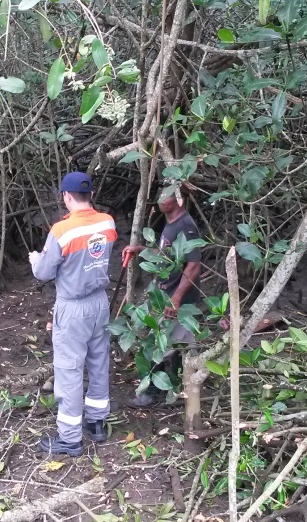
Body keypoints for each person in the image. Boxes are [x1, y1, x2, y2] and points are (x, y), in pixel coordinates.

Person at [30, 172, 117, 456]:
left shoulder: (61, 231)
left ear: (66, 197)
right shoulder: (107, 222)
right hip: (100, 303)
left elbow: (44, 273)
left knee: (68, 369)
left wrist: (35, 260)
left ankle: (69, 438)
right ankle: (97, 423)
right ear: (90, 195)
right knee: (98, 360)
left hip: (74, 307)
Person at [121, 186, 203, 407]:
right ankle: (181, 385)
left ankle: (153, 393)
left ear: (180, 199)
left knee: (162, 344)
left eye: (166, 196)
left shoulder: (186, 226)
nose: (160, 199)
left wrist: (176, 298)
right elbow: (169, 255)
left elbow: (193, 265)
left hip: (178, 298)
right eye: (159, 195)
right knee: (180, 342)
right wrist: (142, 249)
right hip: (166, 292)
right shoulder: (171, 223)